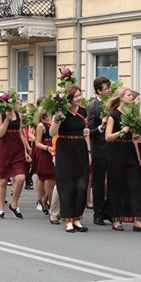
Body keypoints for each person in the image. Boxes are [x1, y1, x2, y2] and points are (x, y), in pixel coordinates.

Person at [104, 88, 141, 232]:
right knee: (116, 184)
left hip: (130, 151)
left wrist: (138, 155)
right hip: (116, 151)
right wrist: (122, 131)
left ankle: (137, 220)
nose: (131, 97)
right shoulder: (114, 115)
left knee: (134, 184)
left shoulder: (132, 114)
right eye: (129, 95)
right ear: (121, 97)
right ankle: (116, 219)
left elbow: (134, 137)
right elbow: (108, 137)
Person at [49, 85, 90, 233]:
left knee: (82, 184)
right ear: (69, 98)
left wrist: (89, 151)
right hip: (65, 148)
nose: (79, 98)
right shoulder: (61, 111)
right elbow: (52, 132)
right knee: (66, 185)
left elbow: (86, 133)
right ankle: (68, 220)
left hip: (80, 147)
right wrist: (57, 118)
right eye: (76, 96)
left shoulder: (84, 111)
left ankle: (78, 218)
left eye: (80, 95)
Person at [0, 99, 31, 219]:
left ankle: (14, 204)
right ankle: (1, 209)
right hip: (3, 149)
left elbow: (20, 133)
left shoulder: (18, 114)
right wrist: (7, 119)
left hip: (17, 149)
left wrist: (25, 151)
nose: (17, 105)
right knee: (3, 181)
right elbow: (0, 133)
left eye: (18, 103)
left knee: (20, 177)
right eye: (14, 103)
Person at [86, 76, 112, 226]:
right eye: (106, 88)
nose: (109, 90)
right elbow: (89, 131)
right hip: (99, 149)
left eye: (109, 87)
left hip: (113, 148)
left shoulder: (113, 105)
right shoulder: (92, 106)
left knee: (114, 181)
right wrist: (102, 127)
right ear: (99, 91)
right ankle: (98, 214)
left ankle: (108, 210)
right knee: (99, 183)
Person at [33, 106, 55, 215]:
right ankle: (51, 205)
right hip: (46, 153)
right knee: (49, 178)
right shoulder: (42, 125)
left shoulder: (54, 123)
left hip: (55, 152)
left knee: (54, 180)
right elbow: (37, 143)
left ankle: (44, 199)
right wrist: (47, 148)